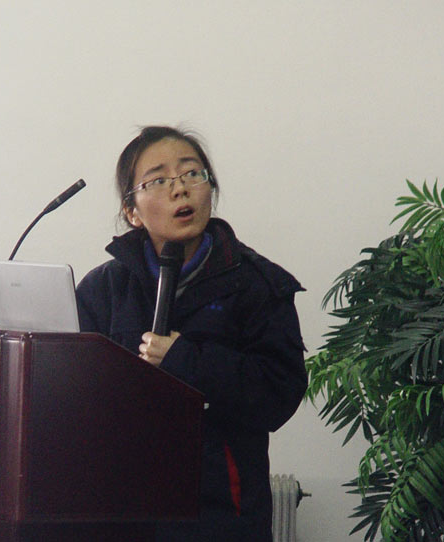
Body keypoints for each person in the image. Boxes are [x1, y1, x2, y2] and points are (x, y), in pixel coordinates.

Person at [75, 126, 307, 542]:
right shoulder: (102, 290)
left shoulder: (257, 284)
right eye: (158, 180)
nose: (180, 189)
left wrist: (186, 361)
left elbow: (278, 395)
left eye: (192, 174)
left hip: (220, 514)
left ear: (210, 188)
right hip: (122, 511)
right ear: (132, 211)